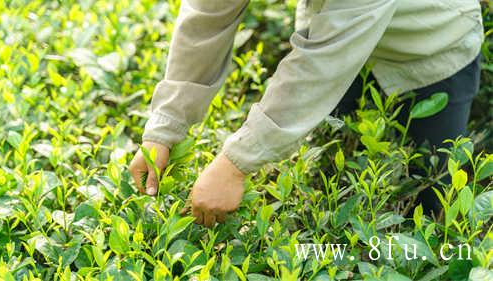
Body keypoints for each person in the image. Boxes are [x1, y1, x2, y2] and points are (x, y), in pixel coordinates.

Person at [129, 0, 484, 227]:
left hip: (428, 48)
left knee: (435, 196)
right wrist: (165, 126)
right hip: (329, 30)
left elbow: (321, 64)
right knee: (338, 181)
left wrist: (234, 165)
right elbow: (206, 19)